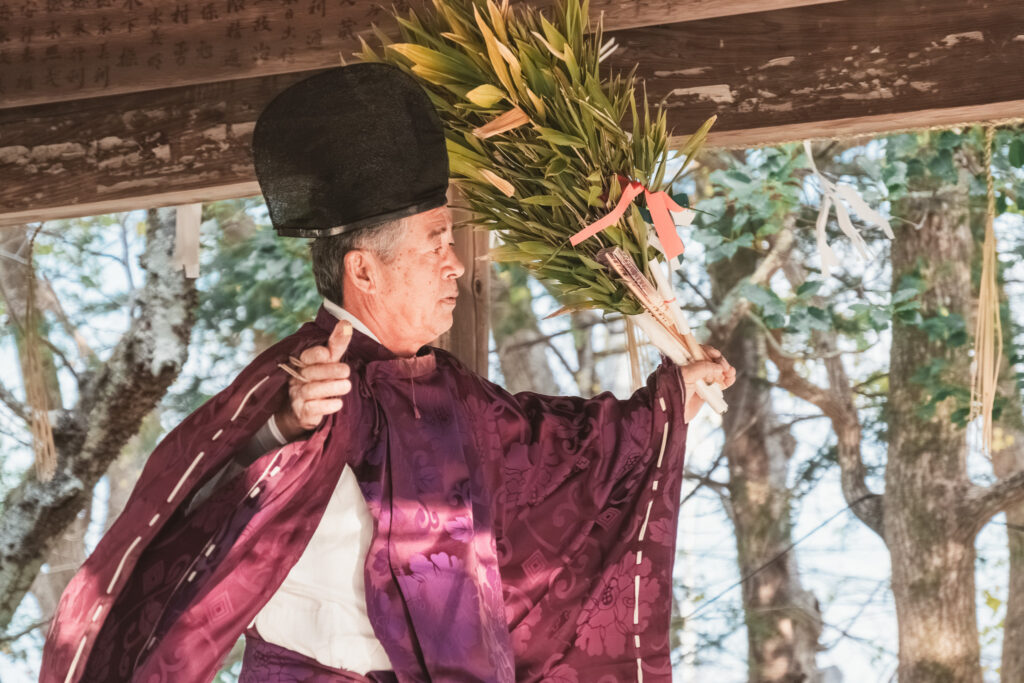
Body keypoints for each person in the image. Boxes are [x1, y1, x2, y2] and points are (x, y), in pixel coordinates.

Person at [40, 63, 734, 683]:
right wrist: (284, 429)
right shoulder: (294, 381)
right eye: (436, 242)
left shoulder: (454, 393)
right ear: (364, 268)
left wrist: (677, 399)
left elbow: (569, 455)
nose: (456, 263)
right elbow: (187, 525)